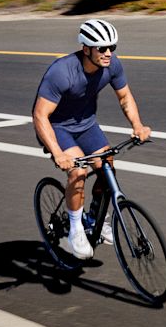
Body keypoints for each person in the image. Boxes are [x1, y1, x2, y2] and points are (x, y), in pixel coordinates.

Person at [33, 18, 152, 259]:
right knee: (79, 172)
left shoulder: (112, 65)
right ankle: (76, 230)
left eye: (112, 48)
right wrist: (57, 152)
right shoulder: (61, 72)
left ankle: (100, 220)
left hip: (87, 125)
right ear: (86, 48)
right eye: (102, 48)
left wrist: (137, 125)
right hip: (58, 127)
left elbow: (125, 97)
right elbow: (40, 114)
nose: (108, 53)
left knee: (107, 167)